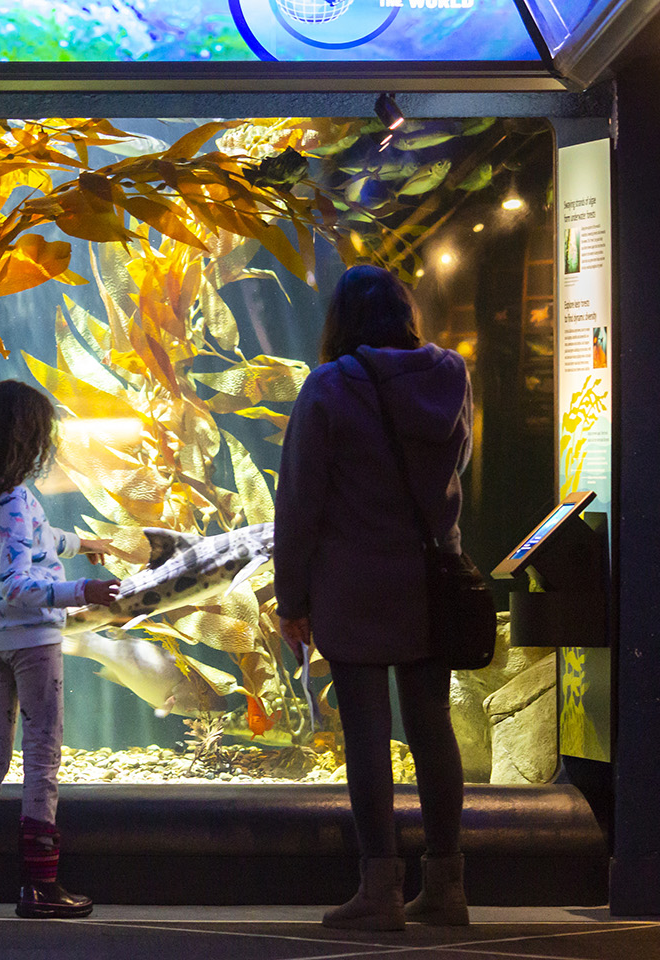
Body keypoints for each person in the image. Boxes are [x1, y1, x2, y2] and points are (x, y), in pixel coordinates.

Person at [274, 264, 473, 932]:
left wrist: (291, 596)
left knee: (366, 733)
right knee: (432, 727)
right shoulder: (451, 376)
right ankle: (447, 886)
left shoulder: (330, 387)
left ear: (340, 321)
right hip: (430, 582)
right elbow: (457, 469)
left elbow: (299, 501)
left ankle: (380, 890)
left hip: (354, 586)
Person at [0, 379, 121, 920]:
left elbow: (36, 536)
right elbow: (20, 583)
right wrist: (80, 593)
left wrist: (84, 543)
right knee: (42, 749)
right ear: (28, 439)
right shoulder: (16, 499)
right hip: (31, 640)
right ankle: (40, 886)